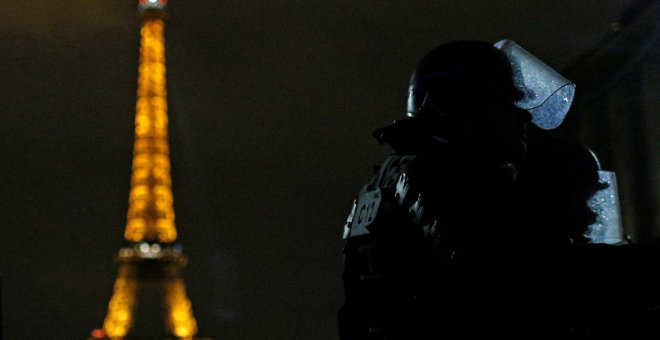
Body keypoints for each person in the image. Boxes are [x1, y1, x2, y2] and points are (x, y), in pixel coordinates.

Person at [338, 39, 577, 339]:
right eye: (504, 102)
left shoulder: (393, 177)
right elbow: (514, 277)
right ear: (461, 106)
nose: (524, 116)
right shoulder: (440, 173)